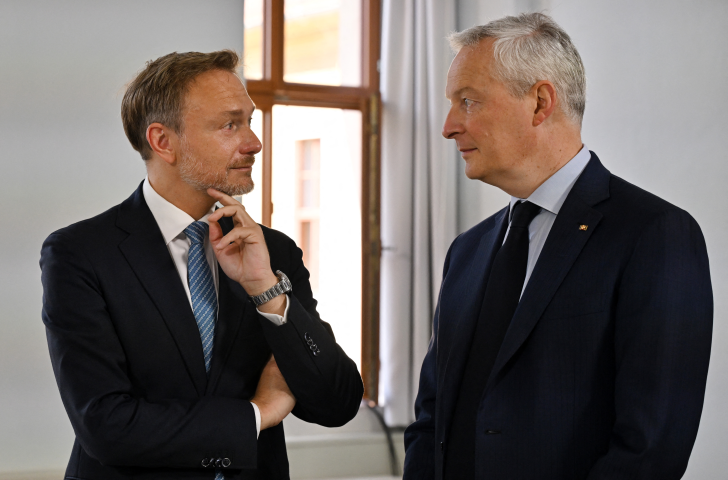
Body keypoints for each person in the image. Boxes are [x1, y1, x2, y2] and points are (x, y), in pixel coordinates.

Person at [403, 13, 712, 480]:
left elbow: (650, 448)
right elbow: (431, 420)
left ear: (540, 103)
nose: (448, 126)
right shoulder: (466, 251)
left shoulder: (656, 234)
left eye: (468, 101)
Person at [40, 50, 363, 480]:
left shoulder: (274, 253)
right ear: (163, 141)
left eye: (249, 120)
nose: (254, 142)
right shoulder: (80, 254)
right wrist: (257, 414)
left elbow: (337, 403)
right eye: (230, 124)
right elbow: (106, 426)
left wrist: (267, 293)